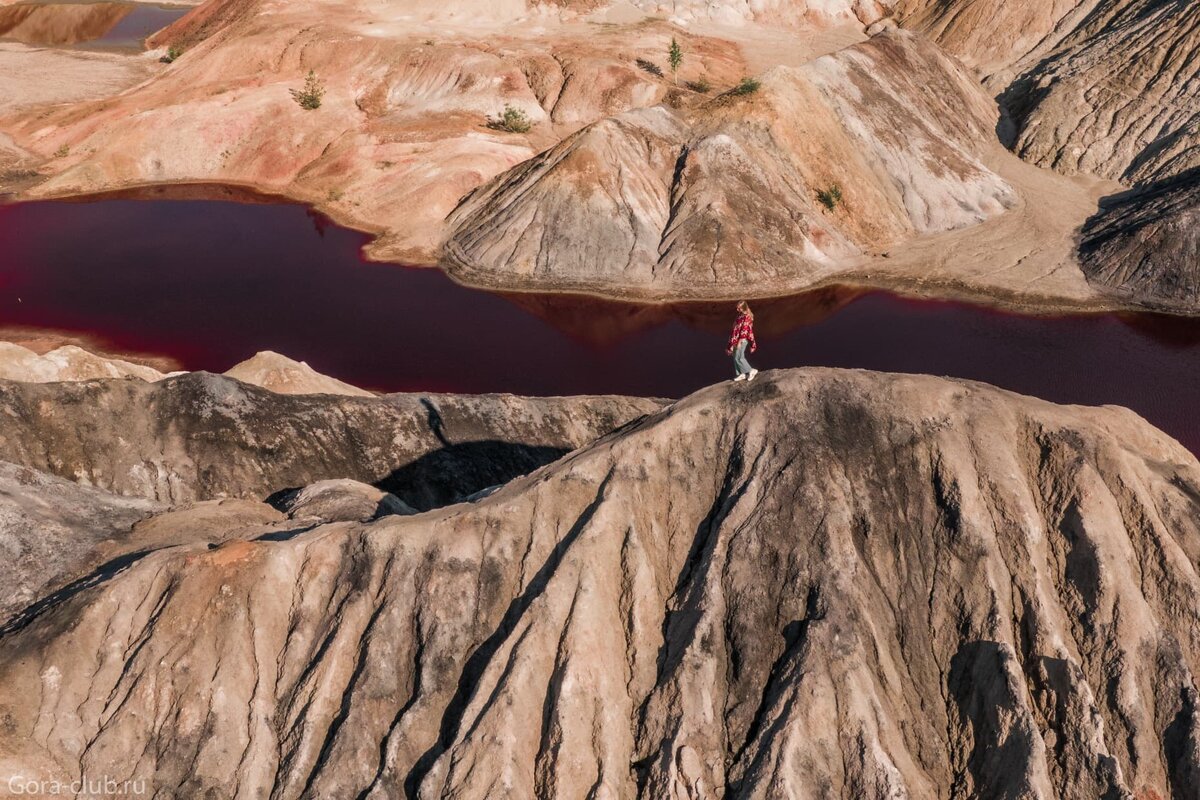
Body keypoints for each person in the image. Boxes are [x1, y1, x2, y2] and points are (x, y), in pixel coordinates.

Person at [726, 300, 758, 382]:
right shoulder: (740, 315)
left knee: (739, 358)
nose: (737, 310)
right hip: (736, 339)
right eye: (737, 308)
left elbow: (744, 331)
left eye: (739, 308)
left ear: (743, 308)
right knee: (735, 357)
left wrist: (739, 342)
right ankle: (742, 374)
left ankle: (751, 371)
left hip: (742, 340)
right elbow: (736, 329)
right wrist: (731, 344)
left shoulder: (747, 317)